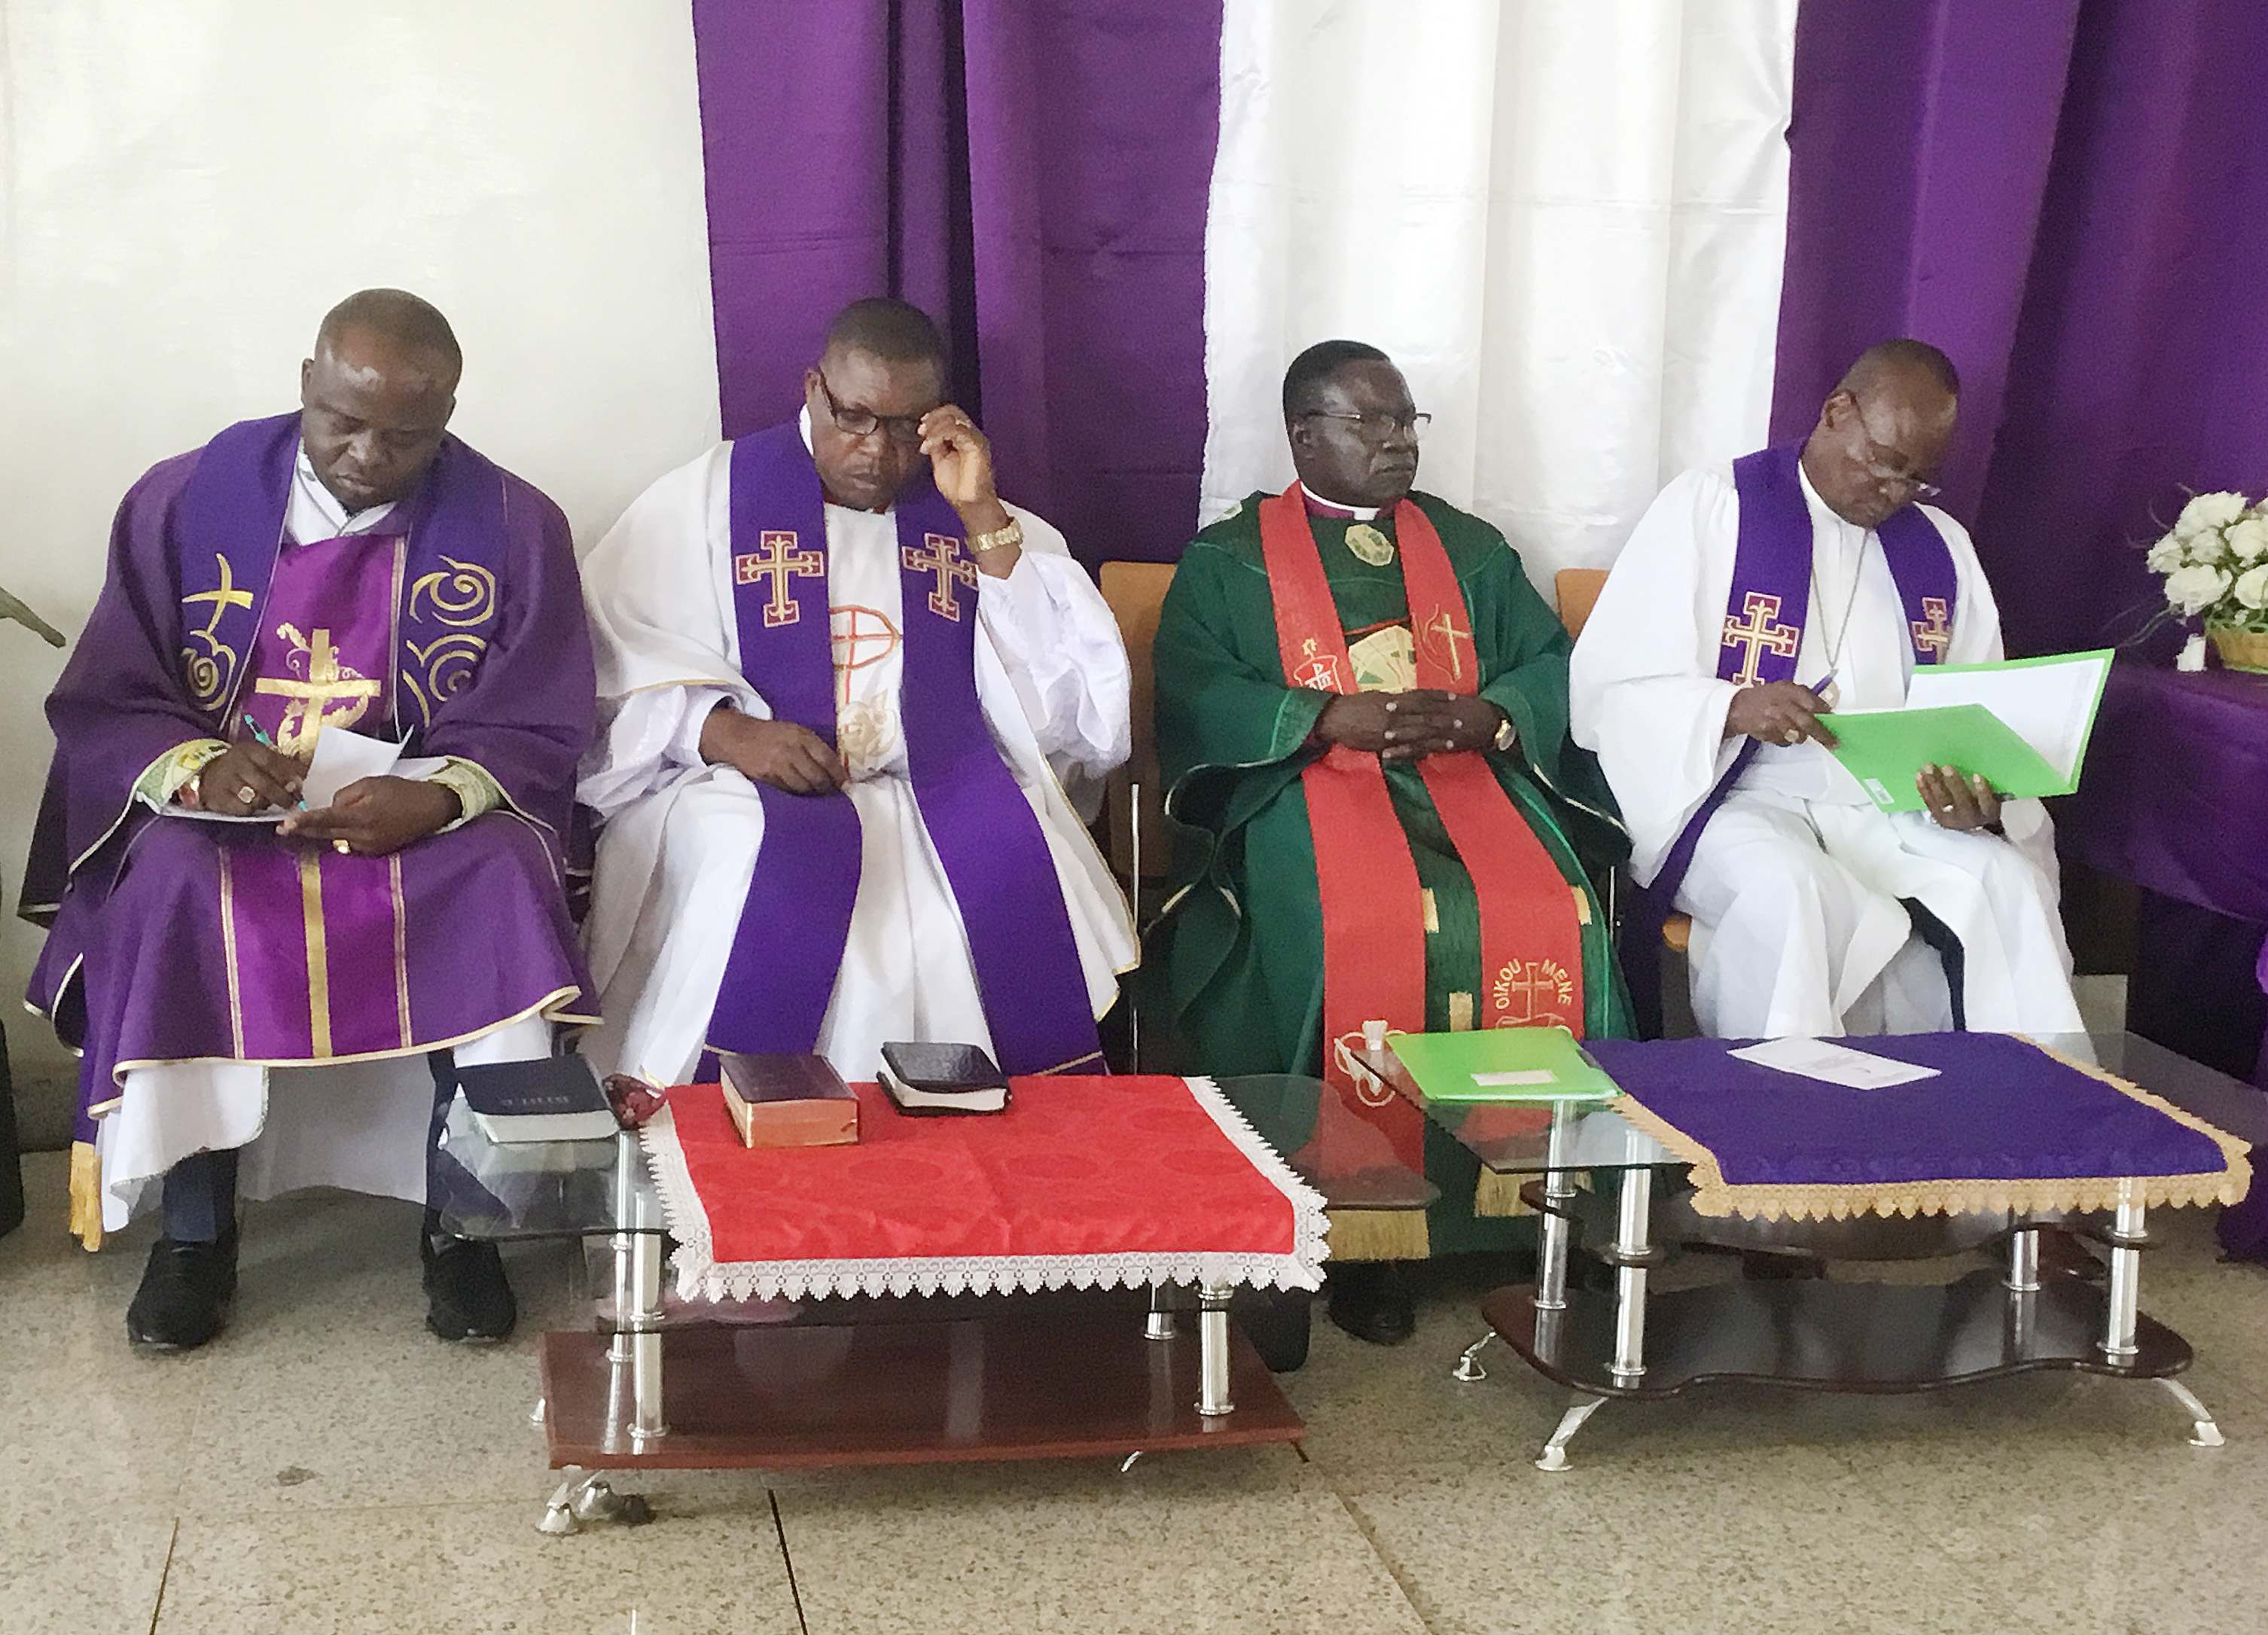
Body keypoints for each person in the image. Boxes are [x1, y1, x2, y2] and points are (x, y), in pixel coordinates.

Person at [22, 289, 598, 1351]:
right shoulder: (183, 499)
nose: (369, 454)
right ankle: (195, 1236)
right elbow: (114, 688)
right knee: (167, 886)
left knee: (508, 878)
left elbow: (538, 708)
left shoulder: (516, 523)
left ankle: (464, 1225)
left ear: (452, 412)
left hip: (419, 804)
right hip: (230, 817)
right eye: (345, 421)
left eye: (406, 435)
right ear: (305, 381)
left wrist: (436, 793)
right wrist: (198, 768)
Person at [1148, 340, 1630, 1349]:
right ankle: (1370, 1233)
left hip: (1467, 779)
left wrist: (1488, 715)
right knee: (1361, 921)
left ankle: (1544, 1207)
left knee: (1555, 907)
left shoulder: (1469, 546)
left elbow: (1550, 663)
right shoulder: (1230, 558)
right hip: (1307, 786)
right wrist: (1320, 717)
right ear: (1302, 434)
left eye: (1406, 420)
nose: (1396, 442)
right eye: (1369, 423)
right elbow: (1197, 687)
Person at [577, 298, 1134, 1088]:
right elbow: (607, 667)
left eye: (907, 427)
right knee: (747, 863)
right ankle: (725, 1125)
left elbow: (1074, 716)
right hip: (746, 786)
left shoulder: (976, 513)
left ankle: (966, 1155)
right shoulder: (704, 503)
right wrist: (725, 732)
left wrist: (980, 513)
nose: (877, 449)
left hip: (933, 791)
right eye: (854, 416)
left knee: (998, 871)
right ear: (813, 388)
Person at [1570, 339, 2084, 1040]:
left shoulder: (1940, 547)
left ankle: (2029, 1122)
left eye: (1917, 479)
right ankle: (1792, 1122)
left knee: (2008, 885)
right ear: (1837, 411)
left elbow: (1975, 714)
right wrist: (1731, 707)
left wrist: (1978, 798)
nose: (1895, 493)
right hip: (1734, 796)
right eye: (1884, 462)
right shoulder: (1714, 505)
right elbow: (1609, 690)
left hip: (1889, 809)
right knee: (1793, 889)